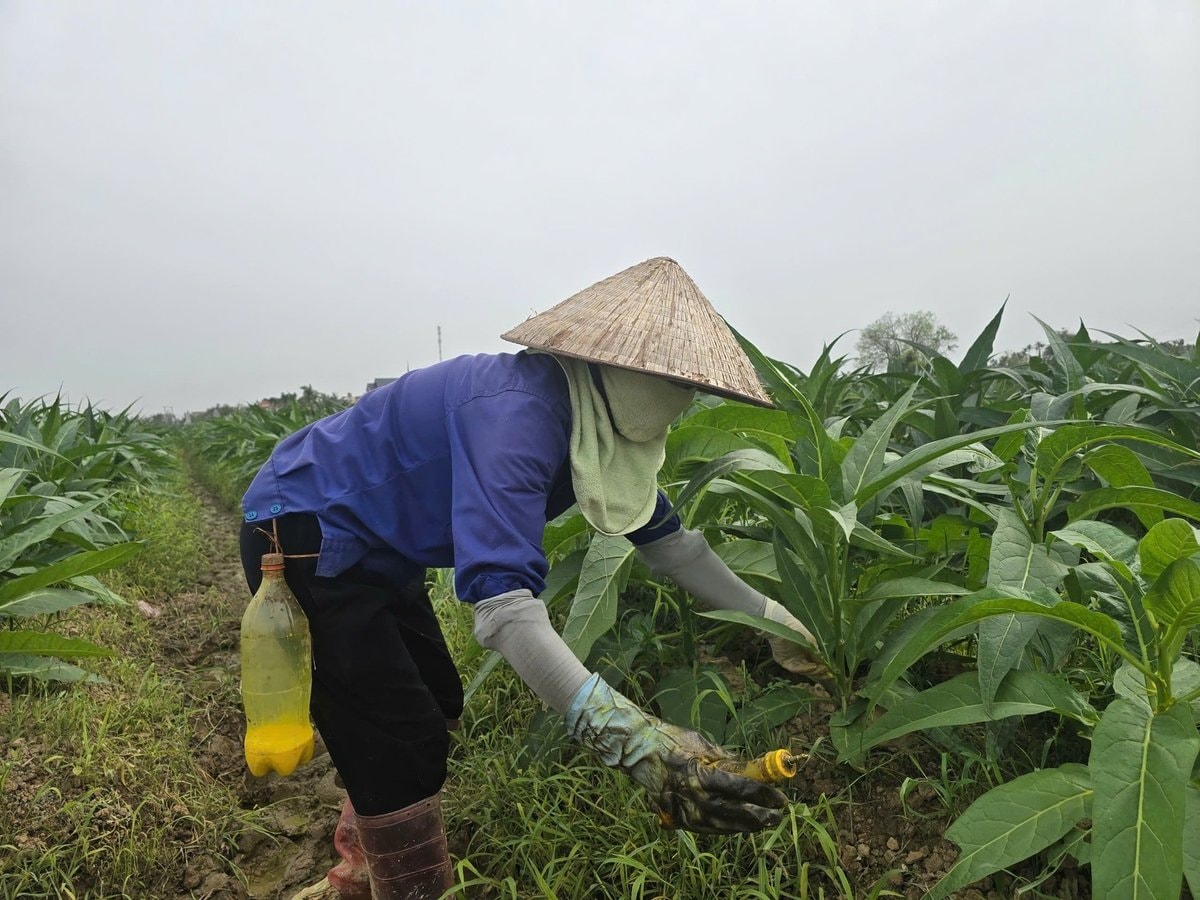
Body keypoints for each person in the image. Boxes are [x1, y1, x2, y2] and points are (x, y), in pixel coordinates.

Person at [239, 257, 824, 900]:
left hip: (380, 545)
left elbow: (671, 546)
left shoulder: (592, 423)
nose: (679, 403)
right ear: (617, 369)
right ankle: (381, 883)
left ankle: (359, 857)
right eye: (670, 382)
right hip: (302, 533)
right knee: (396, 736)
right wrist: (631, 741)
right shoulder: (515, 417)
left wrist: (775, 625)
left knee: (434, 705)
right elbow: (504, 610)